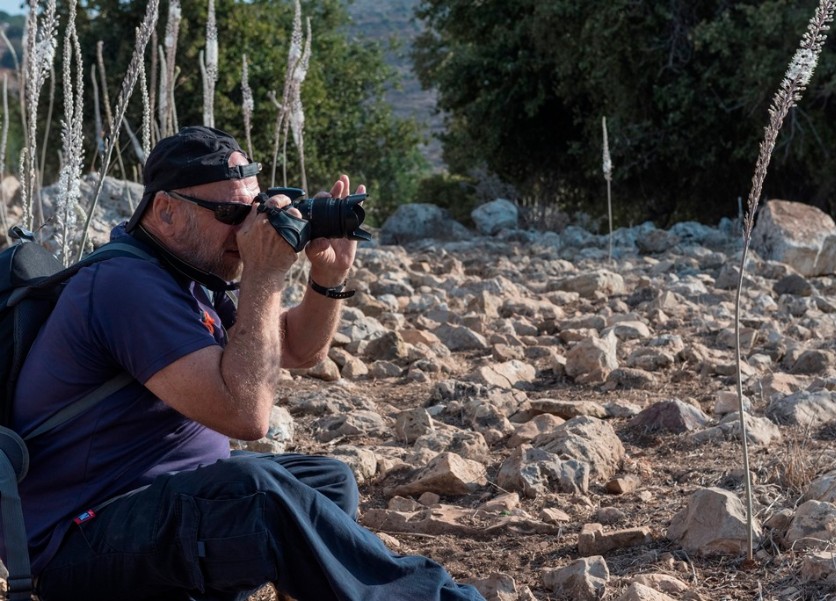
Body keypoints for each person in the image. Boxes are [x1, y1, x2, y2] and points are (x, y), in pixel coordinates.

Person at [12, 126, 485, 601]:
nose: (246, 229)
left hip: (149, 505)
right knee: (258, 494)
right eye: (230, 213)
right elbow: (246, 416)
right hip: (82, 541)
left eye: (253, 211)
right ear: (166, 209)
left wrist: (328, 276)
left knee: (325, 482)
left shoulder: (191, 273)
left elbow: (297, 352)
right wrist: (265, 271)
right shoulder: (127, 286)